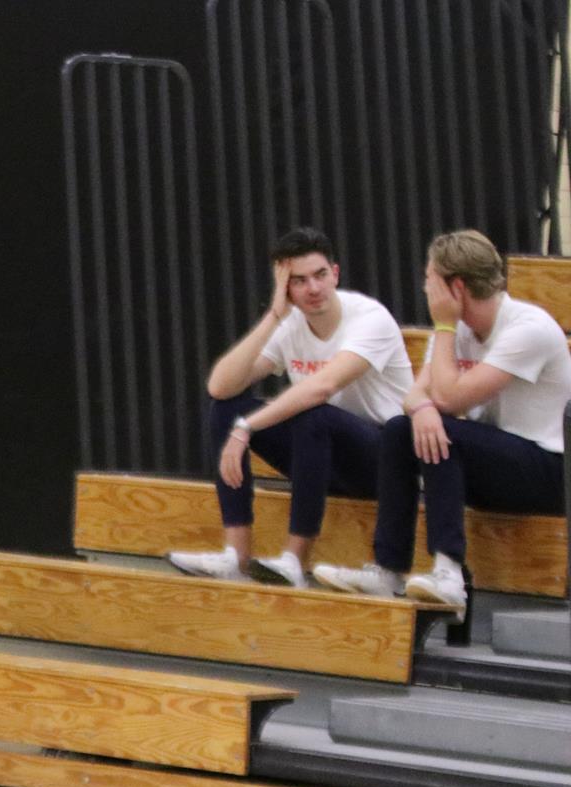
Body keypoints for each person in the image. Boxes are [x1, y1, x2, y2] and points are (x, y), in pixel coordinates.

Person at [314, 230, 571, 615]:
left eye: (429, 279)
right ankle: (389, 569)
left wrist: (444, 335)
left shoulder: (527, 328)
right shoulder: (455, 329)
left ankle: (449, 573)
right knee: (402, 429)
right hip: (497, 461)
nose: (424, 288)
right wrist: (424, 409)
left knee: (442, 431)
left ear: (456, 287)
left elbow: (449, 398)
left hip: (551, 471)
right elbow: (413, 396)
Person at [168, 227, 410, 588]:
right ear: (285, 288)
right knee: (226, 408)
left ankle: (294, 561)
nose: (313, 288)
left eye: (320, 275)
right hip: (321, 459)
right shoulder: (291, 322)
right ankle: (236, 556)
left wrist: (247, 427)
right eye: (298, 281)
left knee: (312, 414)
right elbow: (220, 385)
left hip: (384, 463)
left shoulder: (370, 318)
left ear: (336, 274)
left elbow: (322, 388)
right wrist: (274, 316)